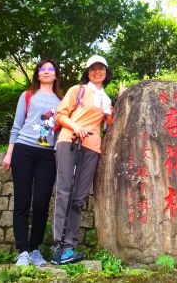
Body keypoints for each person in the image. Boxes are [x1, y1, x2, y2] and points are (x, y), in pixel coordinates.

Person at [51, 55, 113, 265]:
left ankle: (70, 246)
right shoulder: (77, 90)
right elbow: (60, 114)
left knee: (79, 197)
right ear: (87, 72)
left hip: (92, 148)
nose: (97, 72)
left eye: (101, 68)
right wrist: (76, 127)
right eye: (93, 68)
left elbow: (110, 125)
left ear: (106, 72)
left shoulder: (106, 100)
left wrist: (120, 100)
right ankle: (60, 246)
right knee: (64, 192)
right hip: (70, 141)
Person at [2, 59, 62, 266]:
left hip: (47, 156)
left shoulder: (62, 100)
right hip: (23, 150)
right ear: (37, 74)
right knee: (22, 201)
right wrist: (9, 153)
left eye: (50, 69)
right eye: (42, 69)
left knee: (41, 202)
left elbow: (63, 128)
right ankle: (23, 251)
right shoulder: (27, 95)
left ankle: (35, 249)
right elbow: (17, 125)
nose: (46, 72)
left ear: (55, 75)